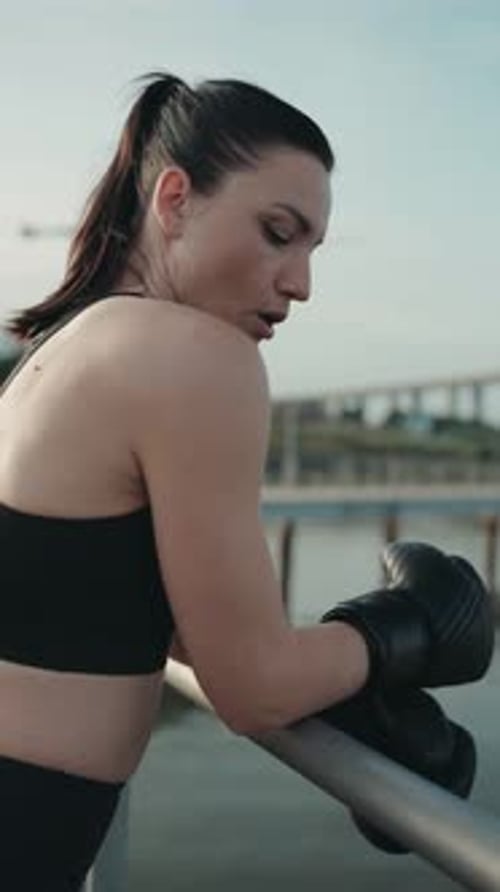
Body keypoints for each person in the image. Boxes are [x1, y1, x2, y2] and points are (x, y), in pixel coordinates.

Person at [0, 72, 493, 889]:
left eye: (310, 249)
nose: (300, 283)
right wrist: (409, 629)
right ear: (175, 198)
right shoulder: (198, 358)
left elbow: (172, 622)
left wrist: (340, 680)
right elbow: (250, 688)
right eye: (276, 232)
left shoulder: (61, 347)